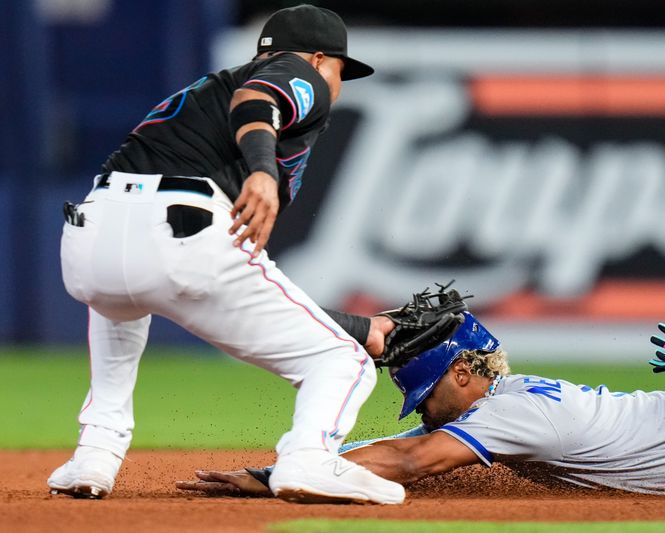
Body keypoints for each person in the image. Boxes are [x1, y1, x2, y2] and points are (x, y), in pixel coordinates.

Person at [48, 4, 406, 505]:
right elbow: (259, 99)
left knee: (121, 310)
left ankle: (94, 456)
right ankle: (307, 459)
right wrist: (261, 170)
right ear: (320, 58)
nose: (338, 83)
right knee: (340, 360)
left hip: (90, 234)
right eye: (342, 70)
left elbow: (242, 296)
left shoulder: (198, 94)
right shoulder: (300, 74)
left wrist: (359, 326)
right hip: (180, 227)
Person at [178, 314, 665, 496]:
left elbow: (410, 459)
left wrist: (276, 474)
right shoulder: (513, 398)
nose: (425, 412)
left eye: (427, 397)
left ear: (463, 372)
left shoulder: (510, 413)